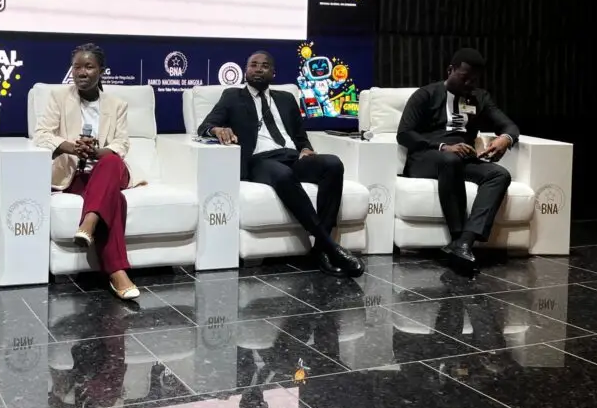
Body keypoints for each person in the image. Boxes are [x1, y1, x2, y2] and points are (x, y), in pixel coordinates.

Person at [197, 51, 363, 277]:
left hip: (291, 157)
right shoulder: (232, 96)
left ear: (273, 73)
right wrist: (218, 129)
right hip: (258, 160)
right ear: (246, 71)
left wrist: (305, 149)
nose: (258, 69)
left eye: (264, 66)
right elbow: (205, 126)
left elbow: (300, 136)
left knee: (333, 164)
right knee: (284, 175)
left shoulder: (286, 99)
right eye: (253, 65)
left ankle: (320, 249)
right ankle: (330, 247)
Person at [34, 44, 140, 300]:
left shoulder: (117, 104)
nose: (82, 72)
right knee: (116, 200)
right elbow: (41, 135)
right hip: (76, 174)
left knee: (111, 161)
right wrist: (72, 147)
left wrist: (97, 152)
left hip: (108, 169)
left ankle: (89, 222)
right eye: (77, 67)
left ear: (101, 71)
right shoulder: (59, 98)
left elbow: (122, 144)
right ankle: (117, 273)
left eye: (89, 67)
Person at [397, 48, 519, 269]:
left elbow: (509, 125)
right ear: (450, 70)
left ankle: (464, 242)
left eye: (474, 79)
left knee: (499, 174)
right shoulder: (426, 95)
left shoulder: (479, 97)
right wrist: (443, 147)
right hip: (426, 158)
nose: (469, 83)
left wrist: (506, 139)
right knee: (449, 160)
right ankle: (456, 235)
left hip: (462, 159)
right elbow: (404, 133)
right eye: (465, 77)